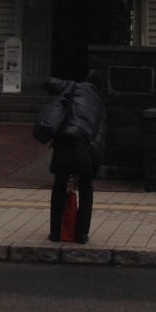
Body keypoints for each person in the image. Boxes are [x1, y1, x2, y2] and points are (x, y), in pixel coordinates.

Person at [45, 70, 106, 244]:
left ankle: (55, 233)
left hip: (64, 142)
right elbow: (100, 135)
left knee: (59, 186)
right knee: (86, 189)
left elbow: (50, 82)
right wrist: (94, 165)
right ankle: (81, 234)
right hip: (84, 146)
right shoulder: (99, 104)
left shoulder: (74, 87)